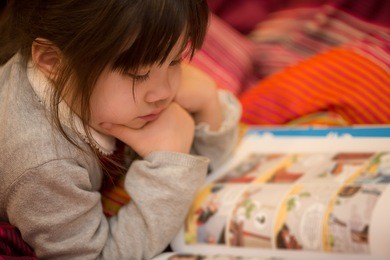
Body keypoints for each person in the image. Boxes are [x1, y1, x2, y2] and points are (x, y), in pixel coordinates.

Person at [0, 0, 241, 259]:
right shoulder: (44, 163)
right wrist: (171, 171)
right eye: (138, 74)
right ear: (52, 61)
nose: (164, 93)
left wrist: (208, 103)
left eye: (175, 61)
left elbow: (215, 168)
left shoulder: (126, 79)